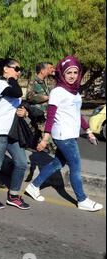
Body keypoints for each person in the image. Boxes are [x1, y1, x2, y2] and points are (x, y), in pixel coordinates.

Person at [25, 56, 103, 212]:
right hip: (63, 136)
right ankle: (82, 199)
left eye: (75, 72)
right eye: (69, 73)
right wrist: (46, 137)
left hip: (71, 134)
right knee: (75, 167)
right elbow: (51, 115)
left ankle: (33, 187)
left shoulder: (74, 92)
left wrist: (88, 130)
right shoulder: (58, 91)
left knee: (57, 163)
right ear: (62, 74)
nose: (72, 75)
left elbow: (77, 114)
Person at [0, 58, 30, 210]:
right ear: (5, 69)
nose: (19, 72)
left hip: (11, 131)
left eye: (19, 69)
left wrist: (23, 111)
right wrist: (10, 78)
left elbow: (15, 104)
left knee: (22, 163)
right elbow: (17, 92)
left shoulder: (9, 84)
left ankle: (13, 196)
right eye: (16, 69)